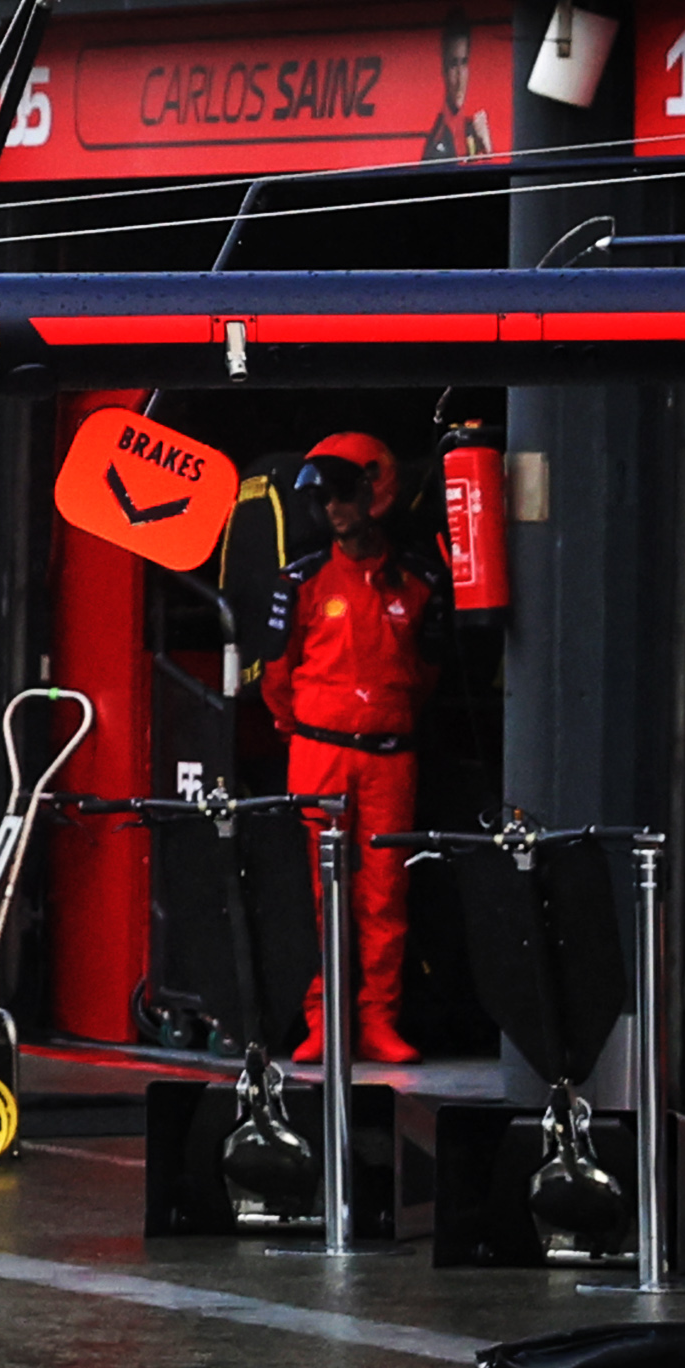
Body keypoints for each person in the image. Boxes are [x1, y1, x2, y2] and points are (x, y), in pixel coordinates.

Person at [263, 433, 444, 1063]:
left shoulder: (420, 579)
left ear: (374, 491)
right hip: (318, 751)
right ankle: (323, 1019)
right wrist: (309, 729)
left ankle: (377, 1022)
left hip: (390, 756)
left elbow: (427, 674)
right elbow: (277, 674)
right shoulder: (303, 579)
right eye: (322, 499)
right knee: (317, 888)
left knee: (384, 893)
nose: (331, 510)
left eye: (342, 494)